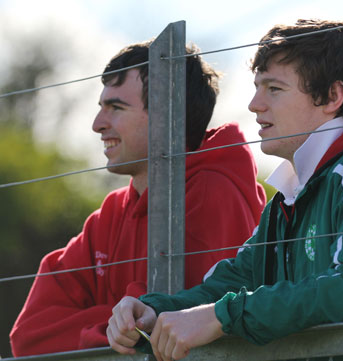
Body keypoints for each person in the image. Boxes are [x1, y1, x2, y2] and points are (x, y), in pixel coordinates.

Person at [106, 19, 343, 361]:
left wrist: (222, 316)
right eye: (256, 87)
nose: (254, 104)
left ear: (332, 96)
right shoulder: (290, 195)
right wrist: (155, 311)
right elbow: (236, 281)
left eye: (274, 89)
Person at [9, 41, 266, 356]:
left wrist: (111, 324)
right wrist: (116, 325)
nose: (97, 124)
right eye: (102, 106)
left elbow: (188, 329)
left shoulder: (214, 193)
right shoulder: (111, 212)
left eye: (116, 108)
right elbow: (29, 335)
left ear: (167, 116)